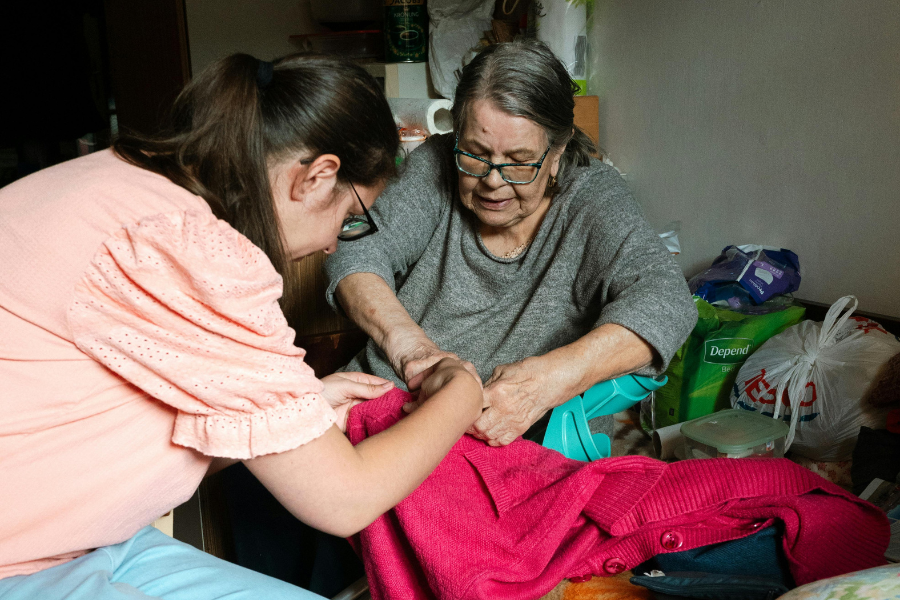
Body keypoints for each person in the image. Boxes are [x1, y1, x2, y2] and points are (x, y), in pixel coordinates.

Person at [0, 53, 483, 600]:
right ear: (317, 175)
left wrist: (293, 414)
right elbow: (346, 499)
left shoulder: (121, 175)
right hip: (23, 561)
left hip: (76, 541)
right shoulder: (188, 249)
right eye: (350, 218)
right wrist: (464, 394)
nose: (331, 245)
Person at [325, 40, 698, 447]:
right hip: (389, 414)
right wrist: (412, 350)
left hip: (518, 443)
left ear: (556, 151)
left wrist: (552, 379)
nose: (493, 180)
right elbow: (356, 244)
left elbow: (666, 301)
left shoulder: (592, 198)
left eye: (520, 161)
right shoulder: (435, 163)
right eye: (475, 154)